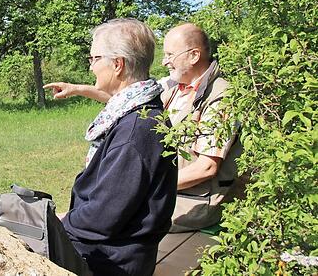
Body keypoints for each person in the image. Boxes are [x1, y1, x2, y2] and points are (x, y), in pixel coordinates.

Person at [45, 22, 241, 233]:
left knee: (114, 217)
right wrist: (77, 89)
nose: (165, 61)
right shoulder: (172, 86)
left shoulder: (221, 97)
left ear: (194, 55)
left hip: (192, 204)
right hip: (165, 195)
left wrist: (147, 188)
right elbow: (124, 98)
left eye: (170, 54)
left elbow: (207, 167)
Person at [54, 18, 177, 276]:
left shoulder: (135, 131)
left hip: (112, 261)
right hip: (113, 247)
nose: (91, 67)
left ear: (118, 64)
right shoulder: (141, 109)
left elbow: (103, 217)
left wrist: (60, 223)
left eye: (94, 58)